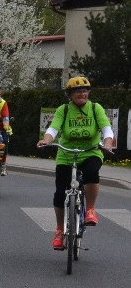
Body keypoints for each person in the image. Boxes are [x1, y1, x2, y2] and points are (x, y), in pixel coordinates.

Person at [37, 76, 115, 250]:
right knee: (59, 193)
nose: (83, 93)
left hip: (90, 151)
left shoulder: (96, 108)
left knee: (92, 173)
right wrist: (46, 140)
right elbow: (53, 128)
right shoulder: (63, 110)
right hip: (66, 153)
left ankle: (91, 210)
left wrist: (108, 143)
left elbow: (106, 129)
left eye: (85, 90)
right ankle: (59, 231)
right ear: (70, 94)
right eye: (78, 91)